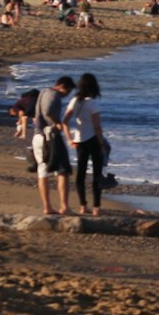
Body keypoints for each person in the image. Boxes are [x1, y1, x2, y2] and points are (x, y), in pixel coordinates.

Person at [63, 73, 106, 216]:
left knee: (80, 174)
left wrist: (69, 139)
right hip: (93, 140)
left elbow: (64, 122)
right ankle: (96, 207)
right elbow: (97, 126)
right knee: (97, 174)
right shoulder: (92, 103)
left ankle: (83, 205)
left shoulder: (75, 101)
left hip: (79, 140)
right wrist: (101, 144)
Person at [32, 75, 75, 215]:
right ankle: (64, 207)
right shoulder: (54, 94)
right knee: (63, 170)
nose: (66, 95)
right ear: (62, 86)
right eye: (67, 91)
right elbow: (48, 111)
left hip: (38, 136)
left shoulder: (43, 92)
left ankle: (47, 207)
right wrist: (58, 123)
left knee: (43, 172)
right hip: (50, 137)